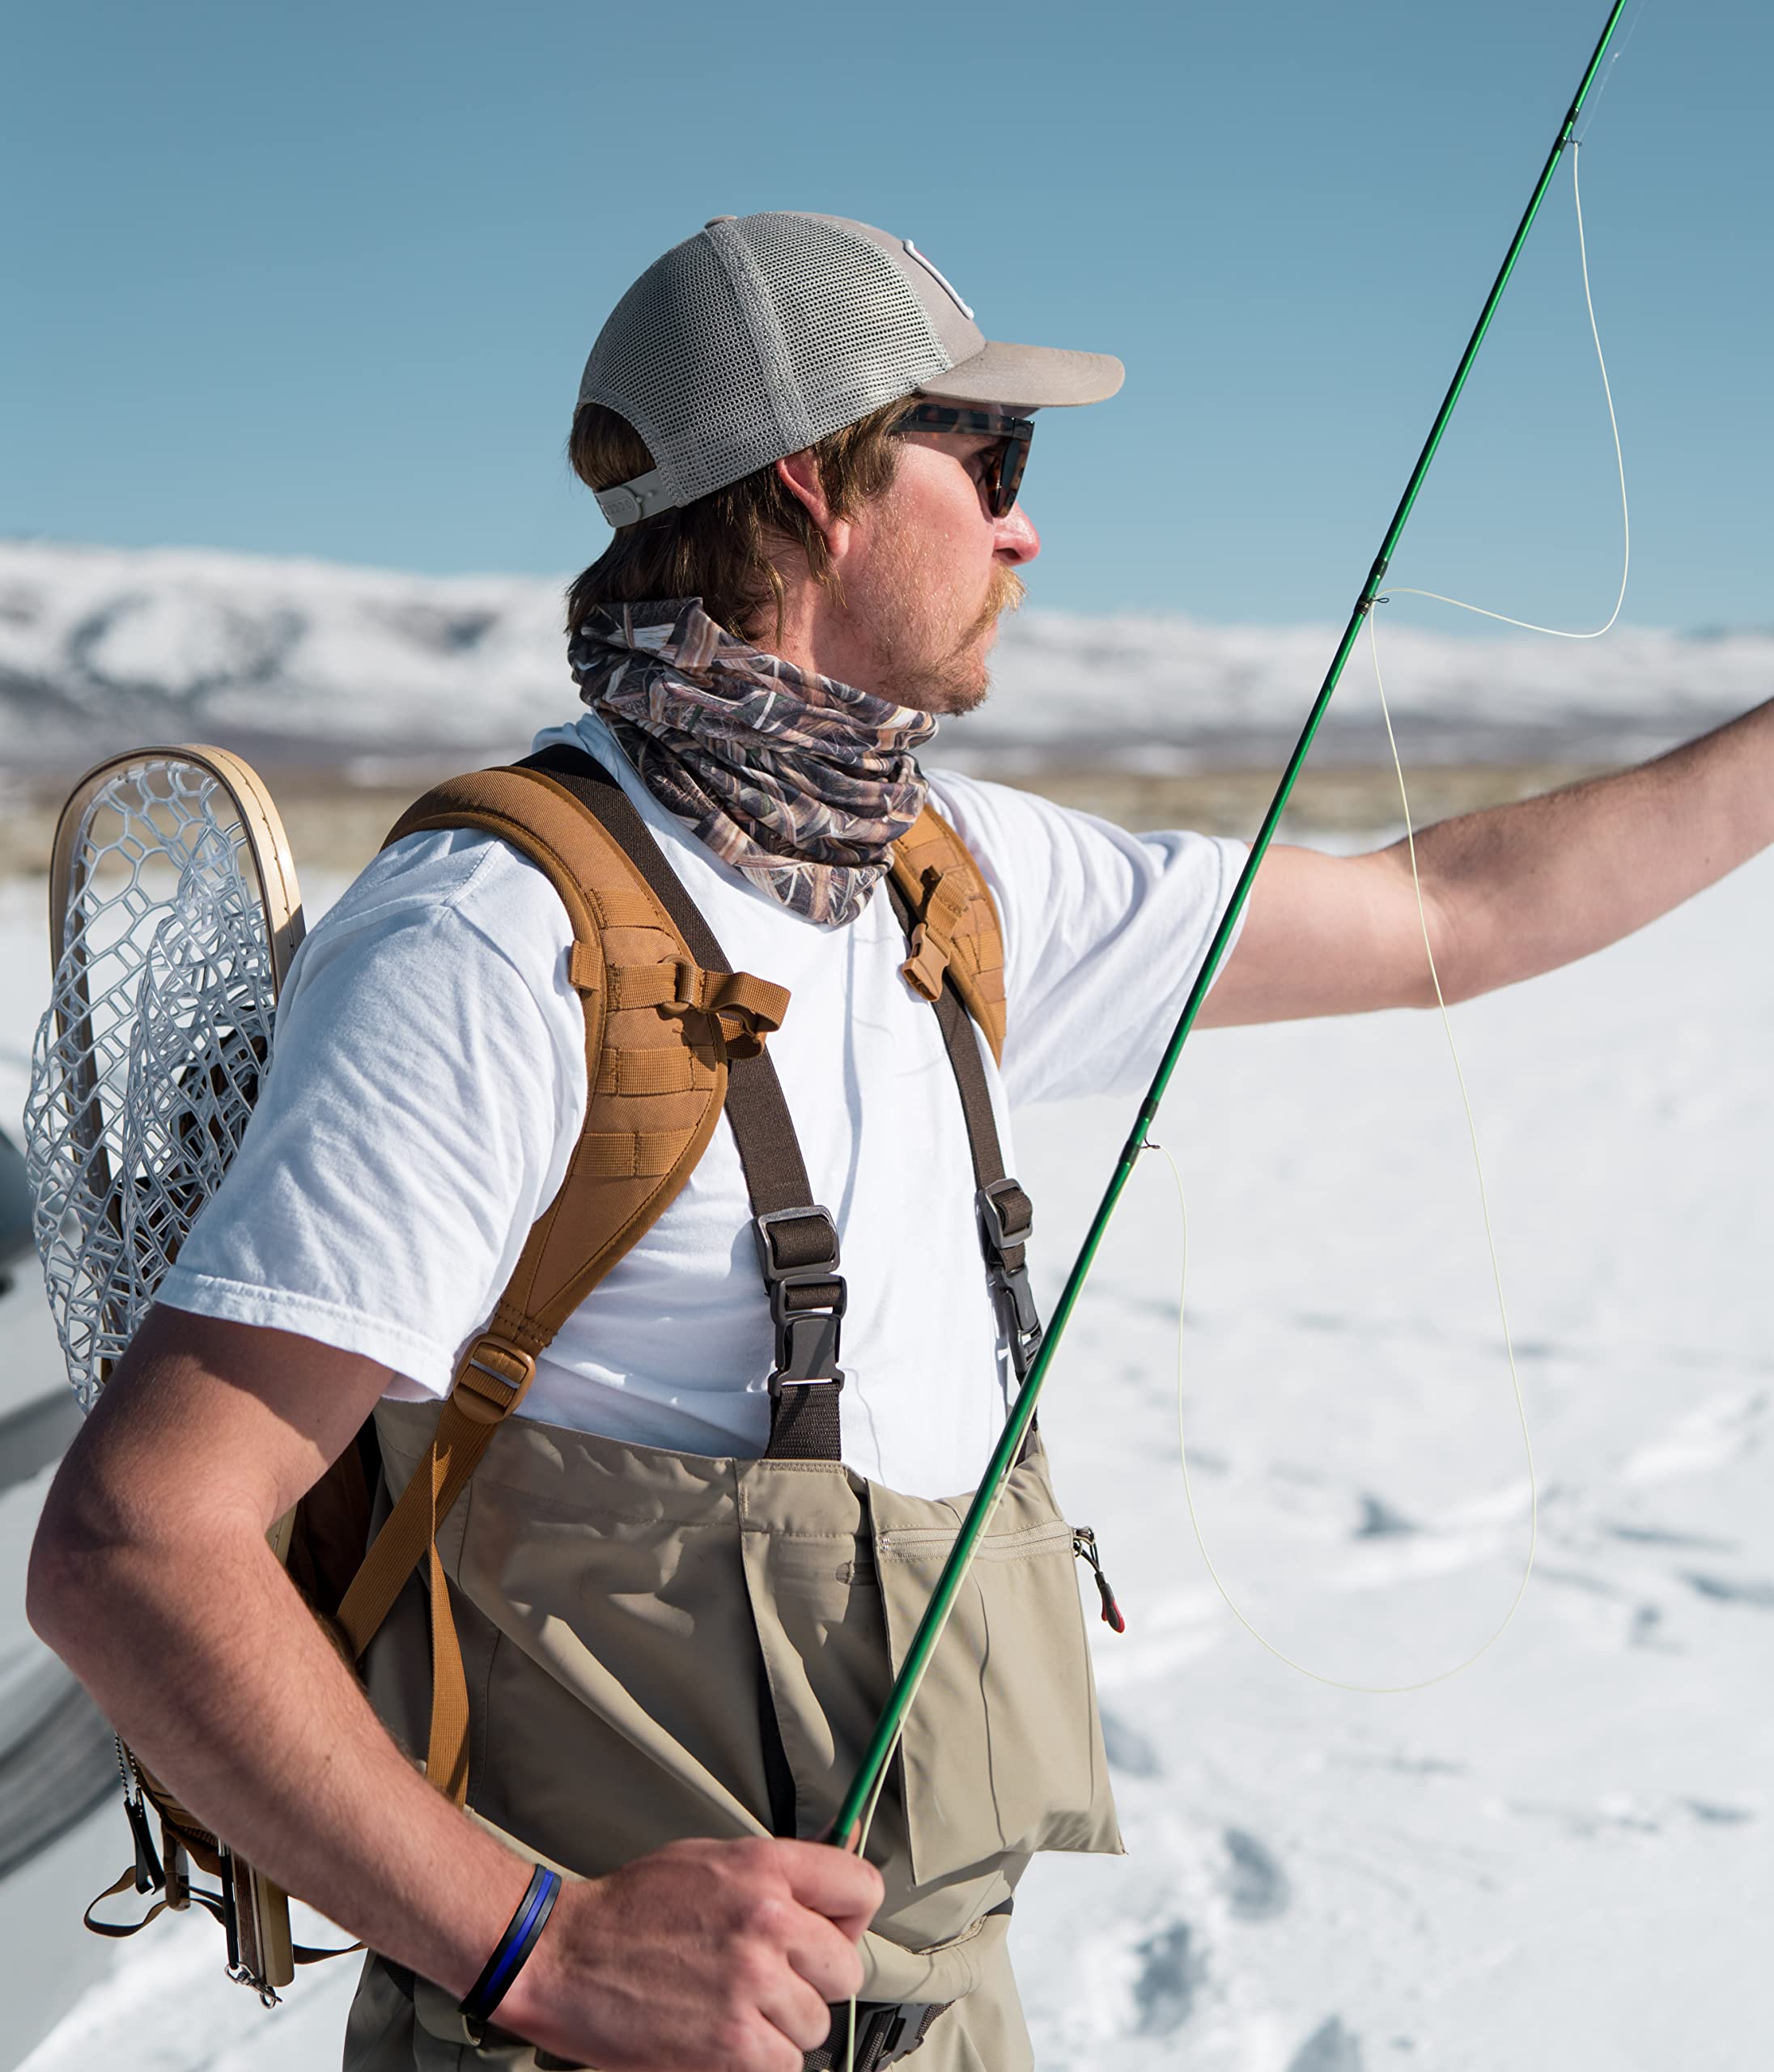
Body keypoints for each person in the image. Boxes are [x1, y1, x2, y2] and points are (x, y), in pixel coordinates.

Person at [25, 212, 1774, 2072]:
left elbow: (1446, 918)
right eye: (991, 459)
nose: (1028, 529)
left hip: (930, 2013)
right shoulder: (492, 935)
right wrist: (542, 1947)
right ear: (813, 486)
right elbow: (137, 1541)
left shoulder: (949, 876)